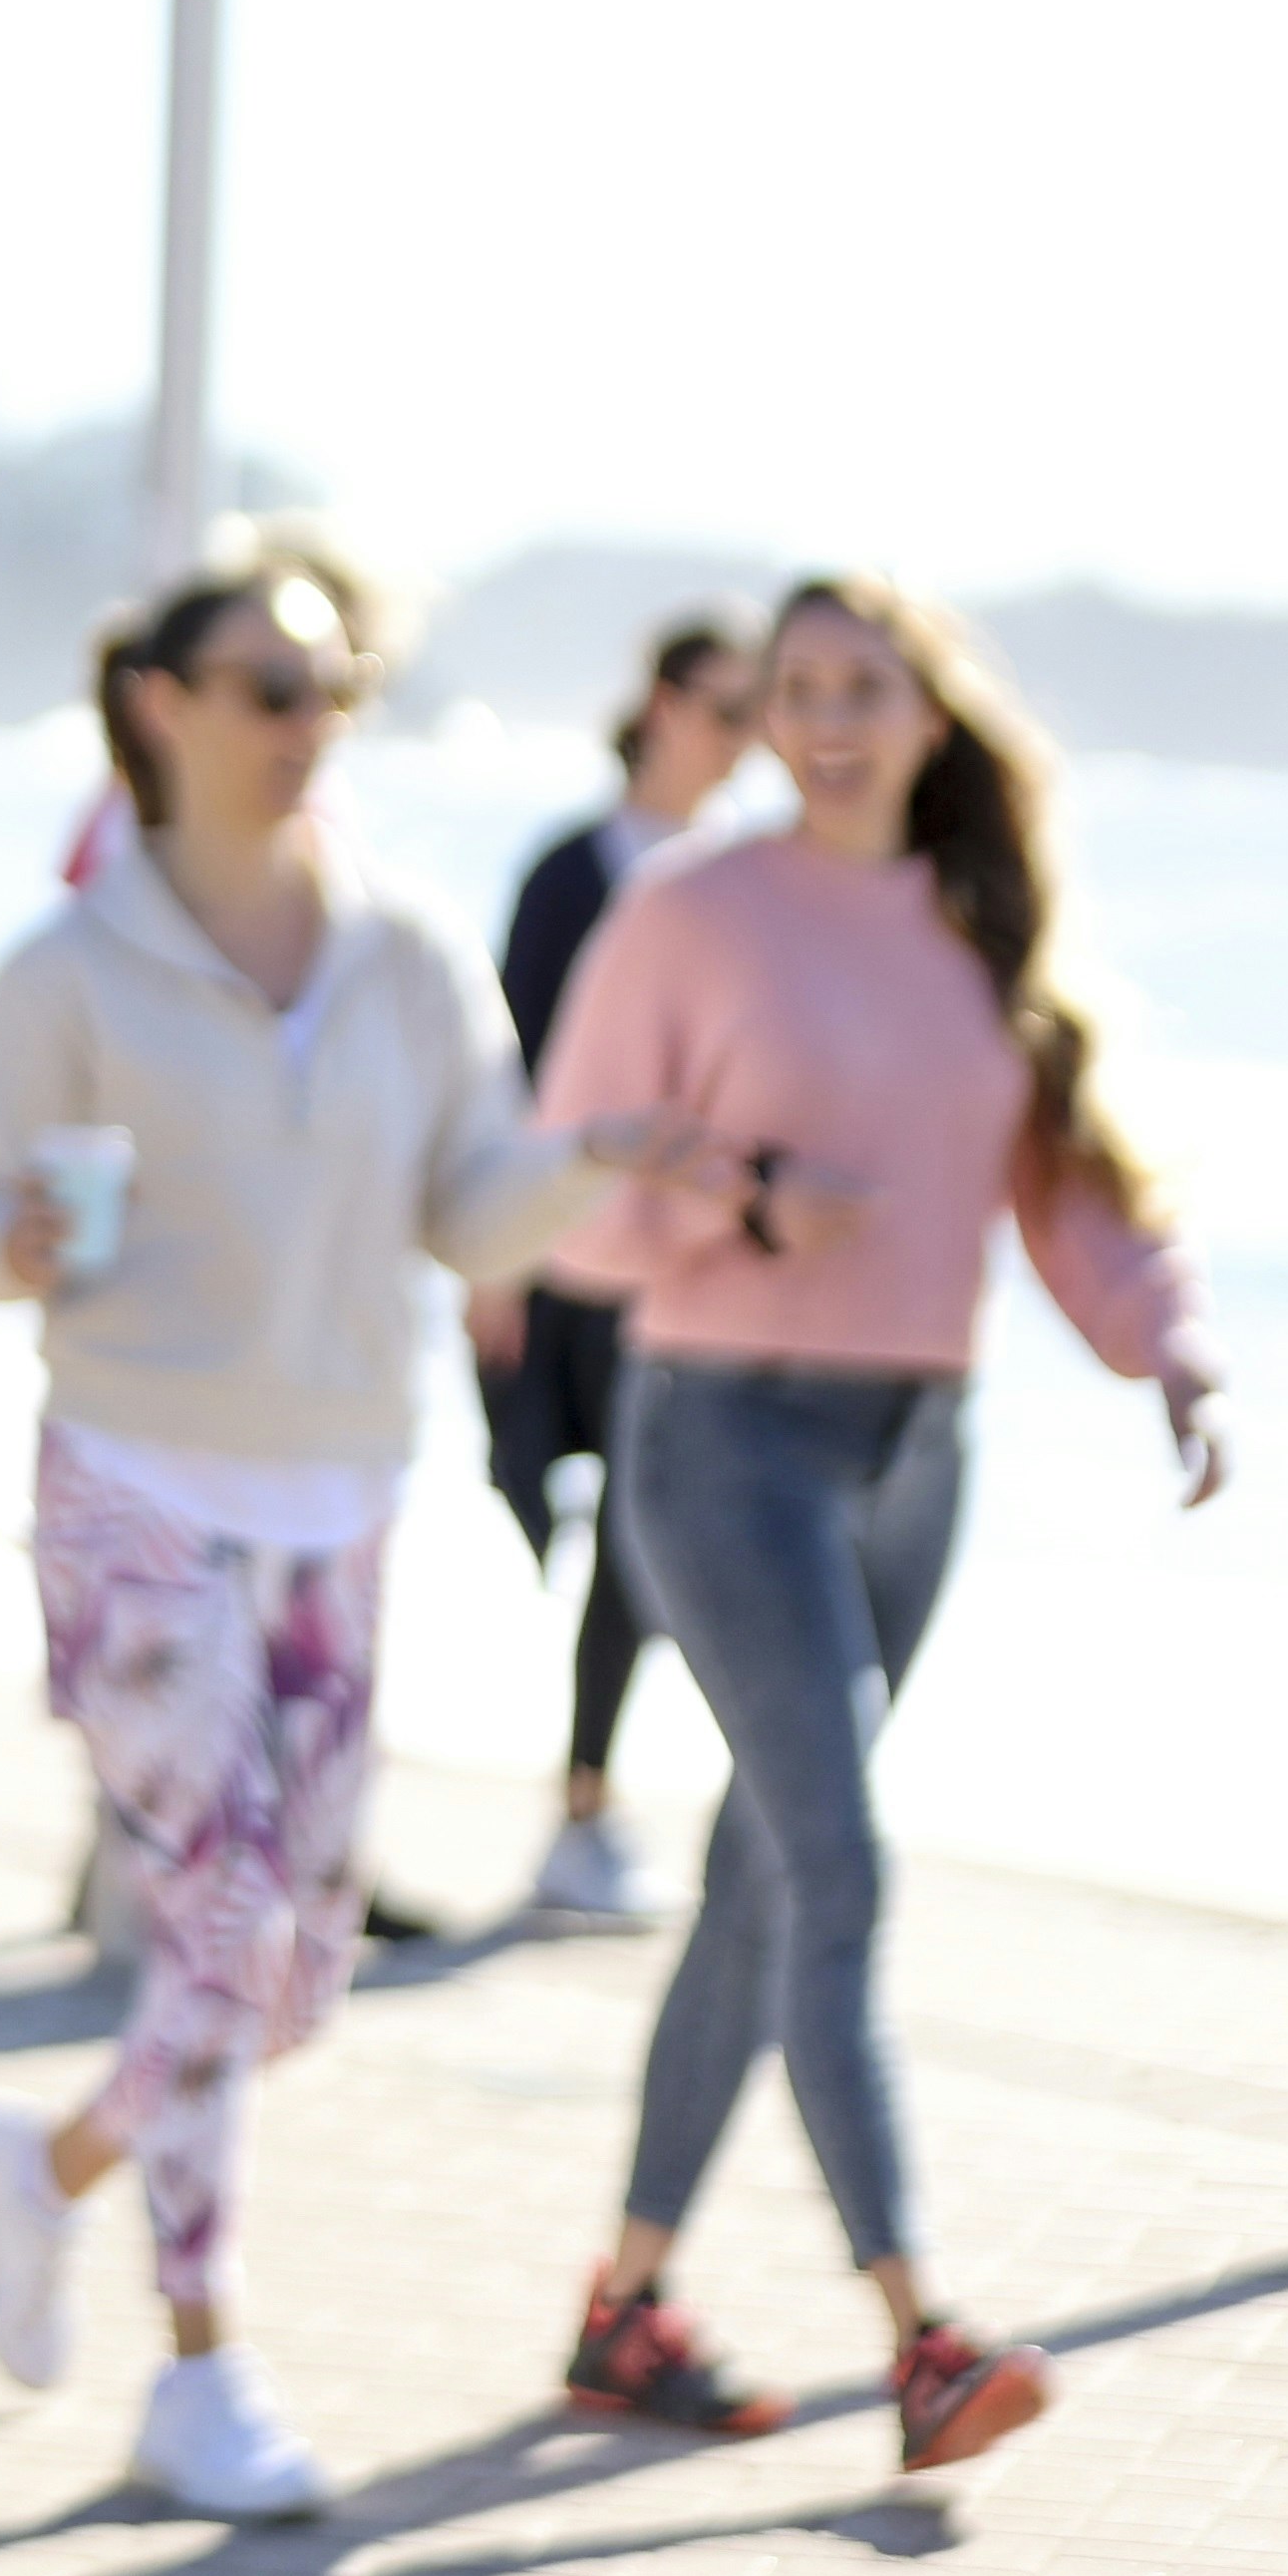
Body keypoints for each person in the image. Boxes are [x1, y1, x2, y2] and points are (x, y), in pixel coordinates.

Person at [0, 563, 683, 2520]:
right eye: (269, 684)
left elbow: (470, 1209)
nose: (307, 720)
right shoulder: (66, 970)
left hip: (338, 1497)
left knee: (293, 1976)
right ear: (160, 703)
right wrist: (15, 1236)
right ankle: (199, 2370)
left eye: (333, 685)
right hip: (133, 1486)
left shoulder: (411, 954)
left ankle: (45, 2166)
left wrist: (597, 1161)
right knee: (212, 1935)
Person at [529, 575, 1227, 2467]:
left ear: (932, 714)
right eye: (796, 689)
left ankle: (625, 2306)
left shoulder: (982, 922)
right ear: (763, 719)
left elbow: (1068, 1188)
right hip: (723, 1437)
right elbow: (565, 1193)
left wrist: (1169, 1348)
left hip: (919, 1446)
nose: (826, 719)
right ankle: (922, 2335)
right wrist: (739, 1194)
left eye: (863, 686)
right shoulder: (690, 913)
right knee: (837, 1868)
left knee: (768, 1870)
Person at [477, 613, 759, 1923]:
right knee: (574, 1520)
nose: (744, 739)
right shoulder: (571, 871)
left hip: (698, 1265)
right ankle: (577, 1811)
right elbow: (508, 1072)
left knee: (656, 1536)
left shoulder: (756, 877)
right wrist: (492, 1261)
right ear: (659, 703)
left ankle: (597, 1807)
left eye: (758, 714)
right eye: (727, 708)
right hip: (567, 1257)